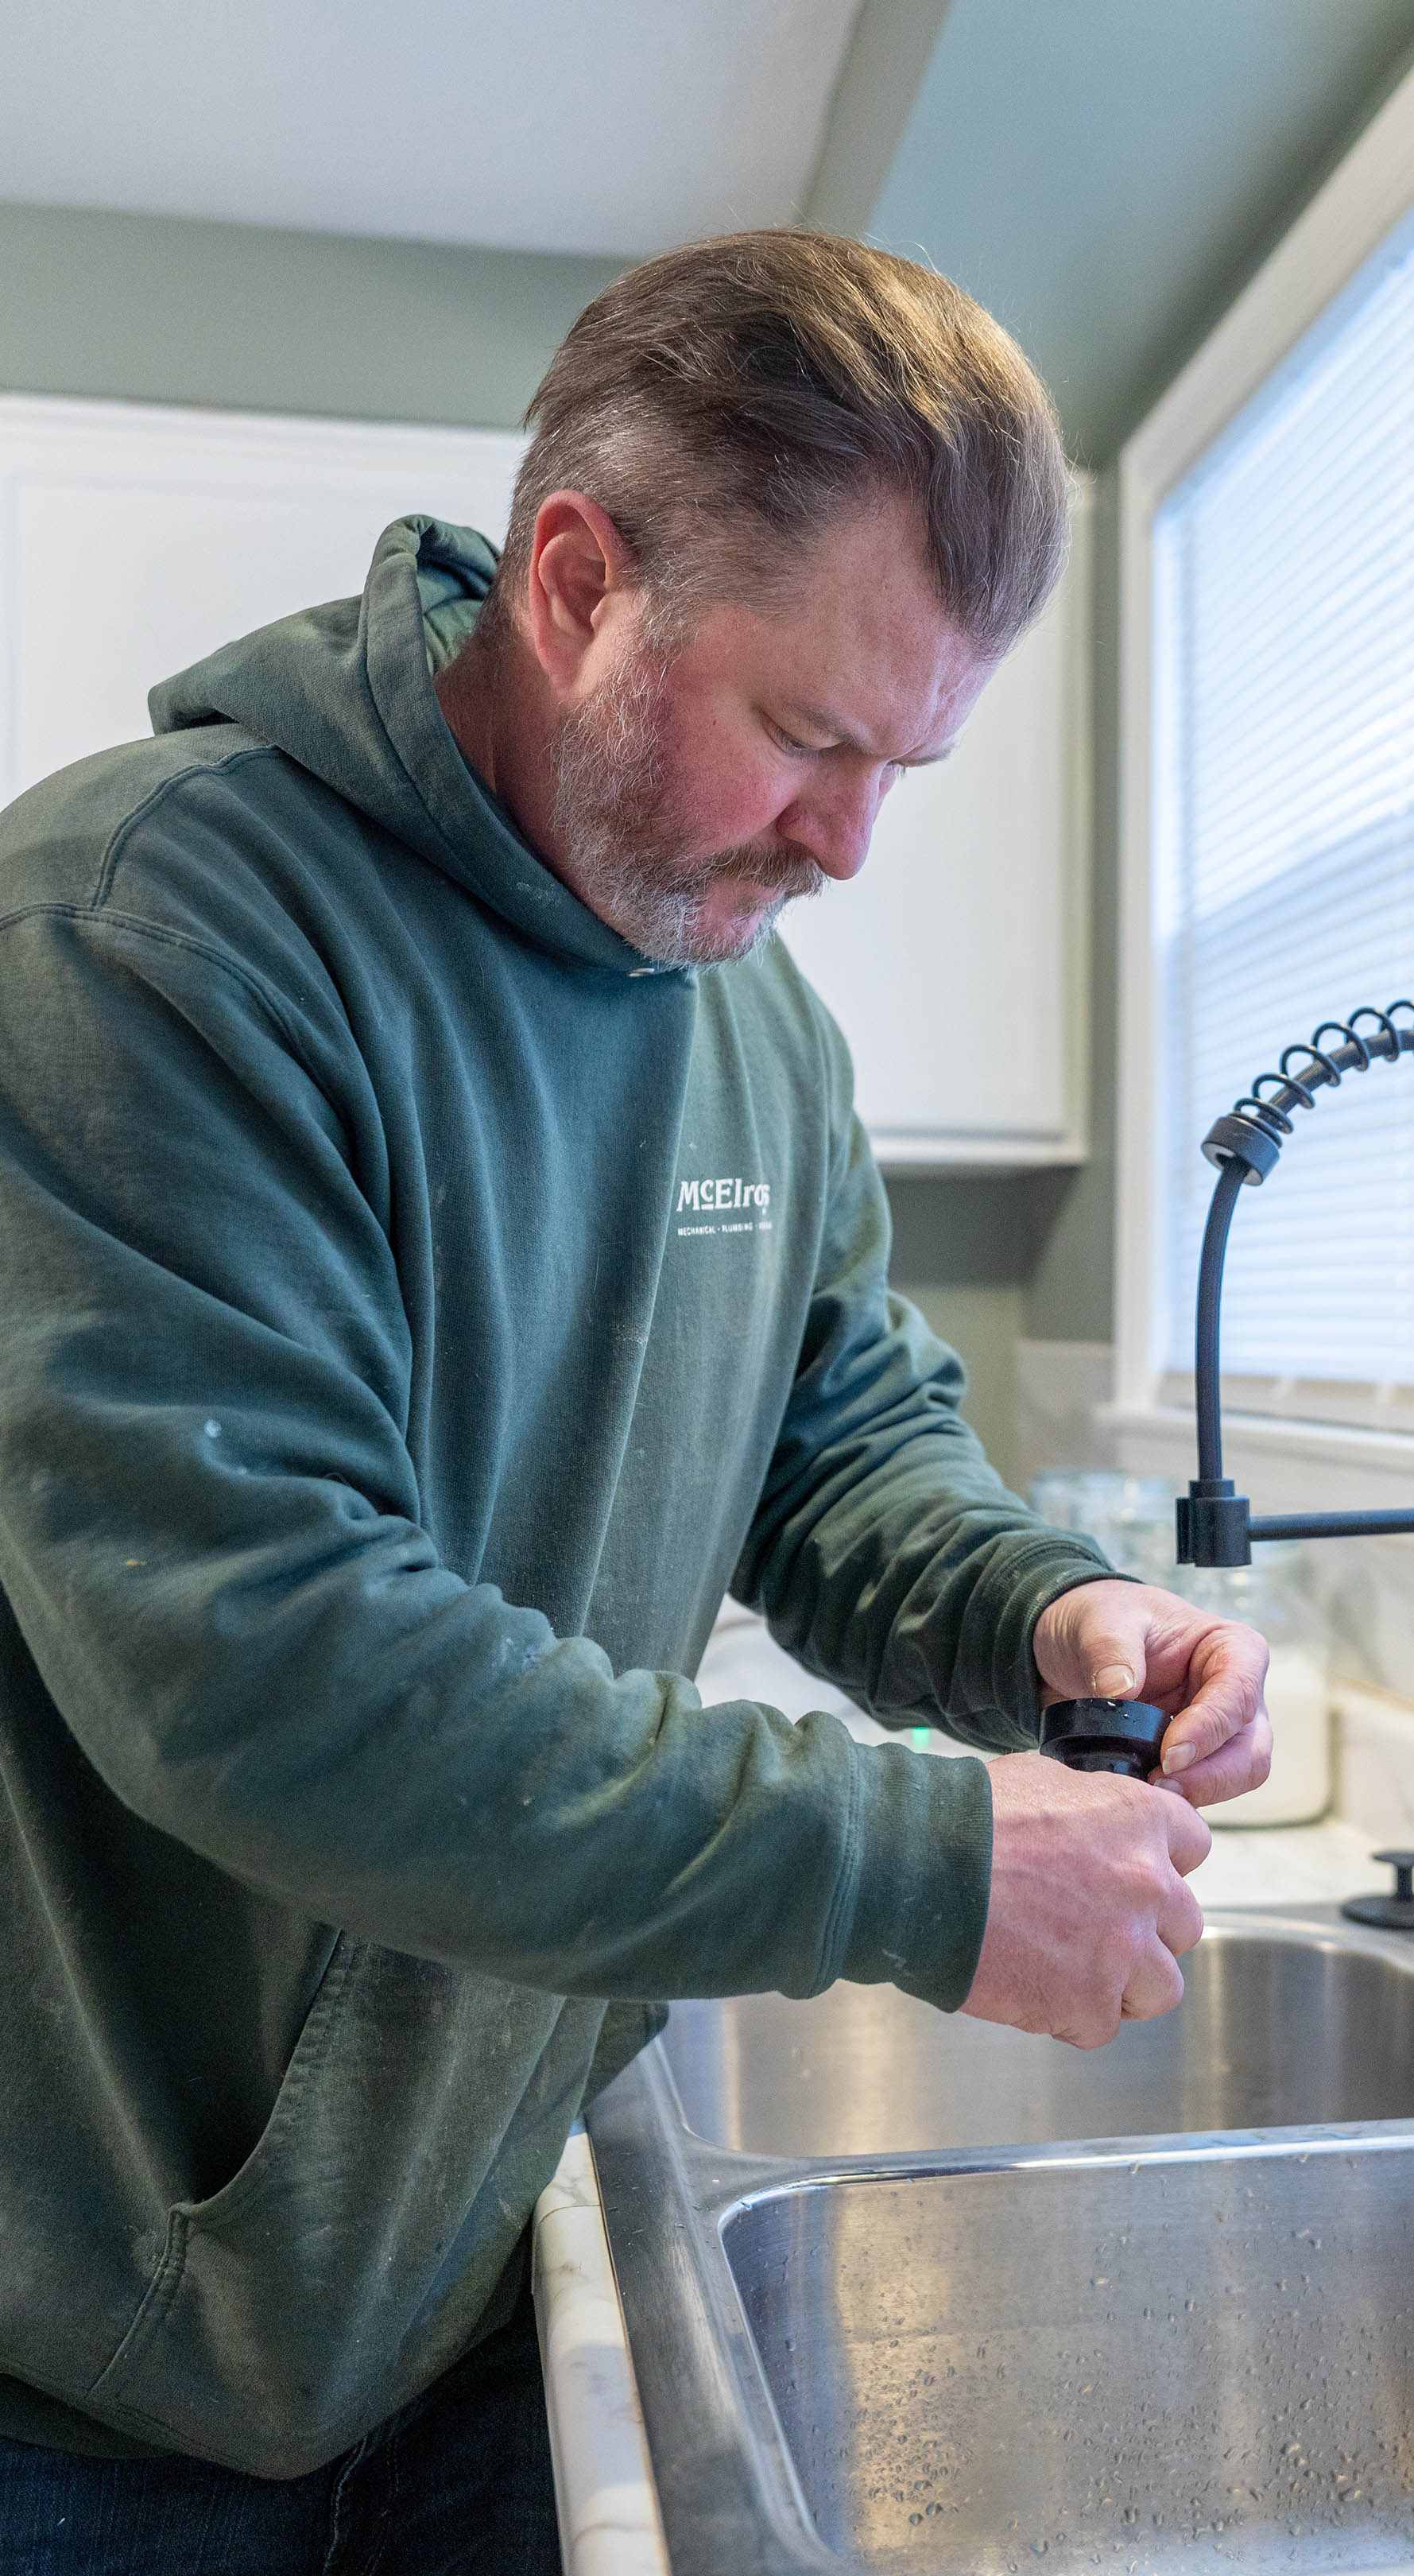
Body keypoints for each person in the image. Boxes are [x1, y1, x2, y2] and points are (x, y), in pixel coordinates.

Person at [0, 230, 1270, 2569]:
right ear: (578, 583)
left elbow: (843, 1446)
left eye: (908, 762)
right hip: (95, 2380)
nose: (848, 845)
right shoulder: (139, 943)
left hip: (475, 2280)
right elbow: (263, 1664)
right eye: (806, 733)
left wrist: (1052, 1624)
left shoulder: (753, 1021)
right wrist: (923, 1861)